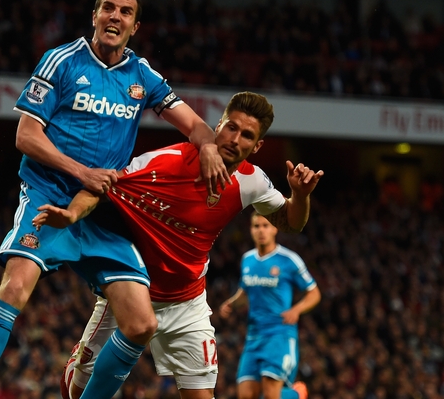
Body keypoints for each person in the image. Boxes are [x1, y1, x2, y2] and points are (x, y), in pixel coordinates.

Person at [0, 0, 229, 399]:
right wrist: (81, 172)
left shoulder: (142, 76)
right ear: (95, 16)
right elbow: (26, 136)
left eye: (125, 12)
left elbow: (195, 125)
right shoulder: (61, 61)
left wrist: (208, 146)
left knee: (141, 324)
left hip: (103, 209)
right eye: (108, 8)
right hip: (49, 194)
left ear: (135, 27)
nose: (115, 16)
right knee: (14, 288)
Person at [31, 92, 323, 399]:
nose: (235, 139)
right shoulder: (168, 162)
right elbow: (103, 185)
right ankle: (78, 365)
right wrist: (72, 213)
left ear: (257, 146)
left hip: (187, 303)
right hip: (130, 293)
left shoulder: (252, 181)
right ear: (218, 125)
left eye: (247, 135)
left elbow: (290, 222)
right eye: (231, 127)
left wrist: (301, 196)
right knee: (76, 392)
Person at [218, 212, 322, 399]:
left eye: (265, 226)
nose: (261, 231)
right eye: (256, 226)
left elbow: (314, 293)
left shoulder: (288, 259)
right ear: (251, 230)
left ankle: (296, 395)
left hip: (279, 334)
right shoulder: (247, 259)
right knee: (246, 395)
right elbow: (245, 290)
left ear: (275, 229)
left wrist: (296, 310)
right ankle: (292, 395)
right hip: (253, 336)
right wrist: (231, 303)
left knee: (270, 394)